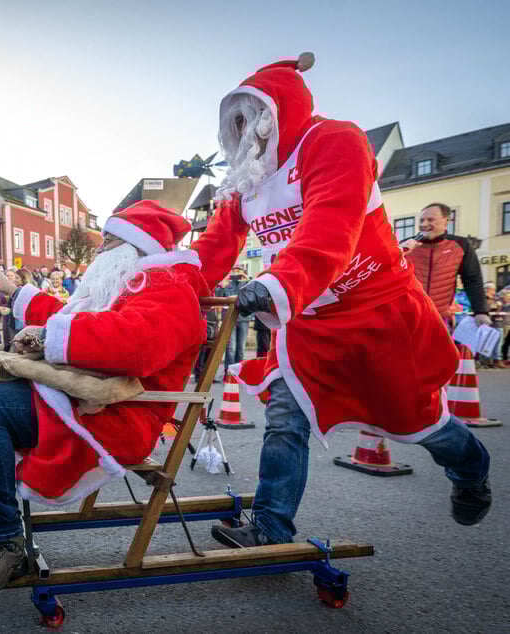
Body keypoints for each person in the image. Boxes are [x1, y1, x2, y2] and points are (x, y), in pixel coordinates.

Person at [190, 53, 491, 549]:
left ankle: (470, 466)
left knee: (415, 421)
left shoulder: (332, 141)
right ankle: (270, 525)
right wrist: (172, 286)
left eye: (254, 117)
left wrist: (278, 282)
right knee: (285, 414)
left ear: (276, 111)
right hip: (307, 322)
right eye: (236, 122)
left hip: (375, 313)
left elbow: (332, 224)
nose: (246, 132)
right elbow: (214, 247)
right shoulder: (247, 180)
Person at [0, 201, 208, 593]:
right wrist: (19, 294)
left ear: (135, 247)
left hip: (120, 417)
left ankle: (3, 538)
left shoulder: (169, 287)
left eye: (109, 241)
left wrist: (50, 336)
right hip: (92, 401)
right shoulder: (132, 280)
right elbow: (76, 315)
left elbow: (134, 345)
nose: (99, 250)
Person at [402, 203, 488, 329]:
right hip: (408, 317)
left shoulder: (460, 245)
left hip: (440, 319)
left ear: (446, 221)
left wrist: (480, 311)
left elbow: (473, 280)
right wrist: (400, 252)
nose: (424, 224)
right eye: (421, 220)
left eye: (430, 220)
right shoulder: (407, 245)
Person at [215, 266, 251, 373]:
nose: (236, 273)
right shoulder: (227, 284)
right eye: (234, 271)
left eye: (238, 271)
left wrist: (247, 279)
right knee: (231, 348)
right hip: (229, 319)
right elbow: (218, 298)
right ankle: (229, 372)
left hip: (244, 318)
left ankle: (239, 372)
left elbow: (253, 294)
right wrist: (222, 287)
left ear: (242, 272)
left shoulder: (247, 283)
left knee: (241, 349)